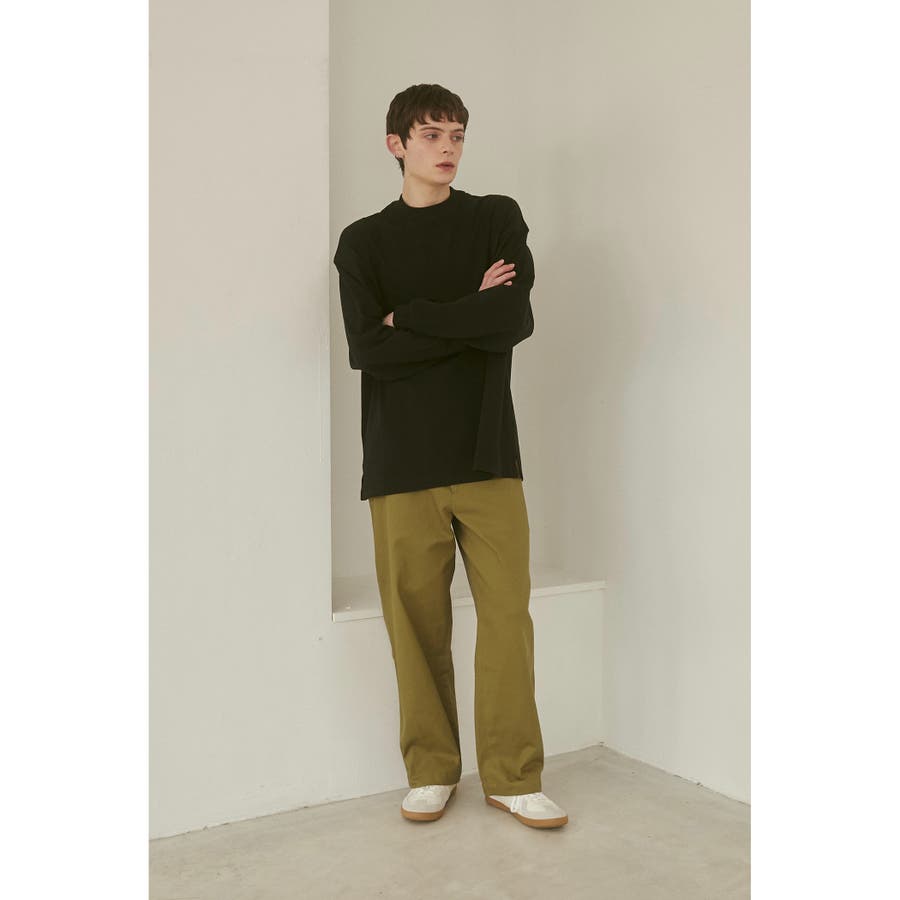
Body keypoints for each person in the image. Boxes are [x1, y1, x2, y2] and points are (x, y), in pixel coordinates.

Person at [332, 83, 568, 829]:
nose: (447, 148)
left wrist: (412, 317)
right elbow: (367, 349)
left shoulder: (495, 218)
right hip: (400, 461)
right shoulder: (363, 243)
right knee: (415, 627)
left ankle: (513, 776)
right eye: (431, 134)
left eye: (457, 135)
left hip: (487, 453)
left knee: (507, 620)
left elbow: (513, 318)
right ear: (397, 144)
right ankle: (431, 770)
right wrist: (469, 314)